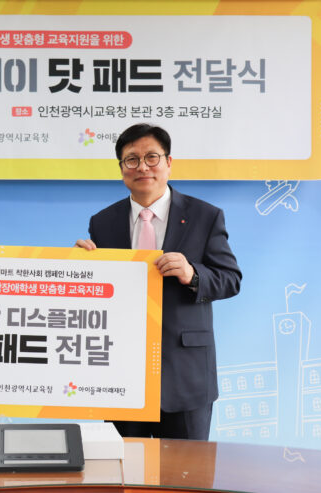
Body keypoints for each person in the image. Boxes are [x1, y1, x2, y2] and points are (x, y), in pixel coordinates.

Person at [75, 123, 241, 440]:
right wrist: (81, 267)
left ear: (168, 162)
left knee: (187, 469)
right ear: (121, 168)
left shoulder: (205, 216)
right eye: (132, 159)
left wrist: (193, 274)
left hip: (186, 375)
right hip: (121, 374)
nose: (142, 167)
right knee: (126, 467)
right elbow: (101, 292)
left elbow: (231, 279)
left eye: (152, 157)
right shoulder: (103, 222)